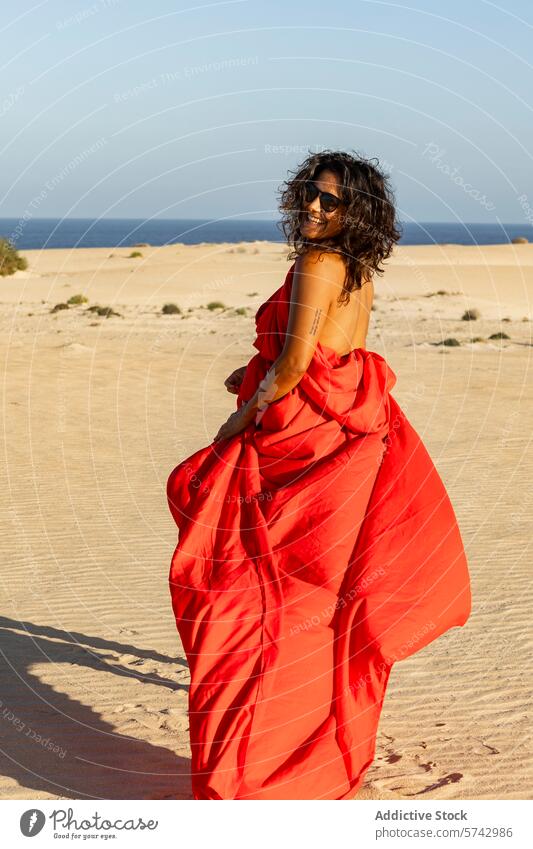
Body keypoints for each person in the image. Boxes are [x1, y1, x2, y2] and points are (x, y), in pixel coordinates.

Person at [166, 150, 471, 800]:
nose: (311, 205)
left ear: (353, 210)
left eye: (328, 200)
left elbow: (297, 364)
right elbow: (337, 352)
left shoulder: (316, 262)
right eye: (309, 192)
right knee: (314, 596)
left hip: (295, 443)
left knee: (243, 584)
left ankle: (257, 753)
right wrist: (251, 375)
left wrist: (240, 416)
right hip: (337, 441)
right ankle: (314, 738)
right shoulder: (357, 271)